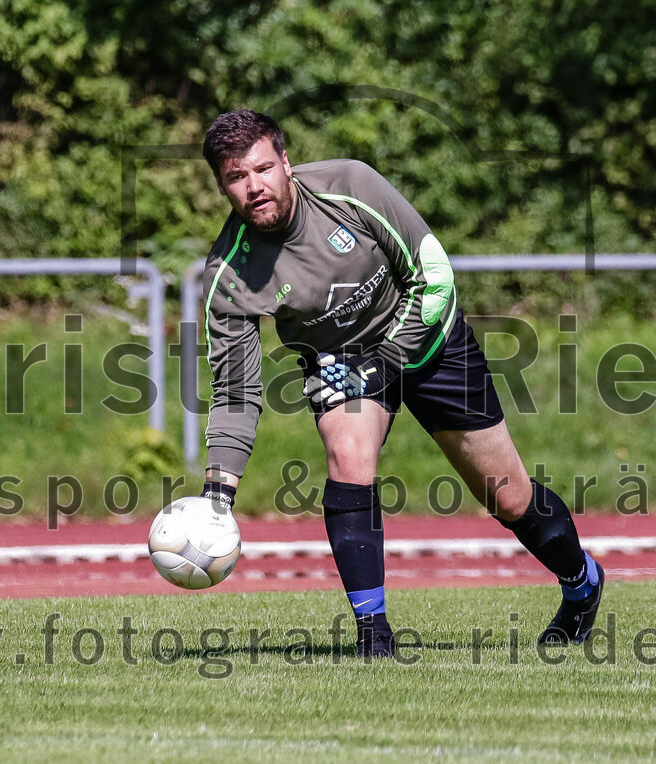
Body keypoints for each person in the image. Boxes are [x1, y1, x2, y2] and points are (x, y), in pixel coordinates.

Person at [198, 109, 603, 658]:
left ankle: (582, 582)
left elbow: (434, 275)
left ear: (286, 162)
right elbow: (236, 392)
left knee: (508, 498)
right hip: (339, 359)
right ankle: (374, 634)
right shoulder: (230, 275)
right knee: (347, 454)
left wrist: (390, 358)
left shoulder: (351, 186)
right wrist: (217, 497)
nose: (254, 187)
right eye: (235, 177)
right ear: (222, 185)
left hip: (428, 335)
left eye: (262, 169)